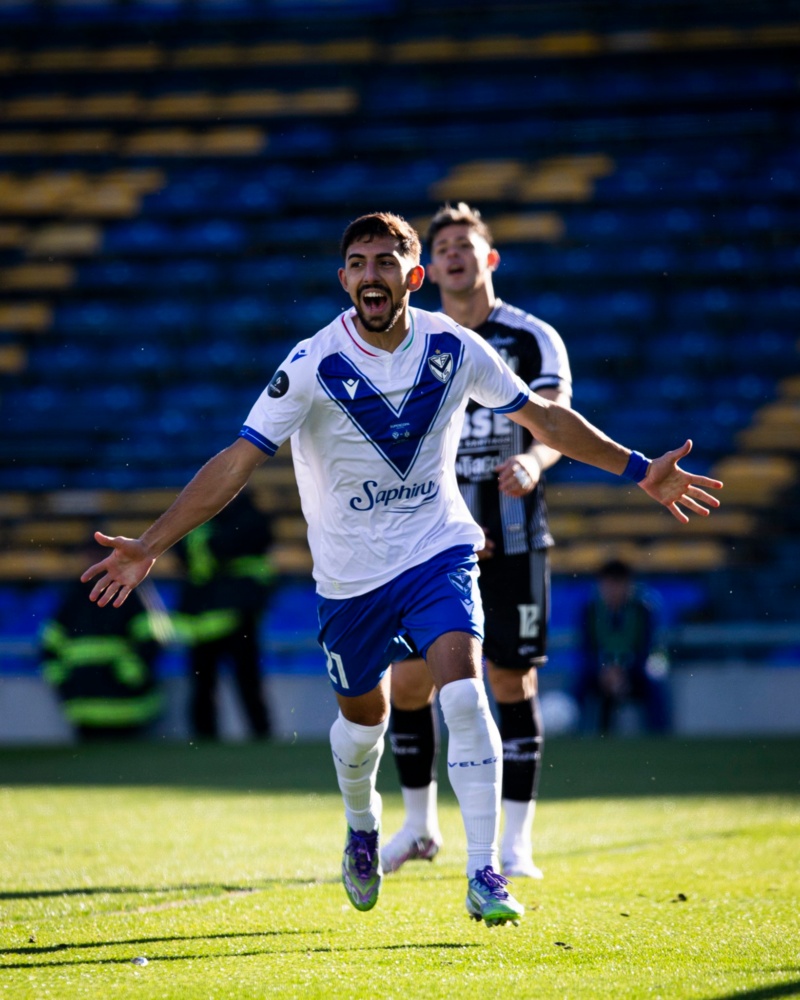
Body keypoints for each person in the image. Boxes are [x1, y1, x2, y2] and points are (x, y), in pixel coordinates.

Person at [80, 211, 722, 927]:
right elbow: (238, 459)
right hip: (350, 580)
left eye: (386, 262)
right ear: (343, 279)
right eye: (357, 263)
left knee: (463, 692)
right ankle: (362, 823)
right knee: (364, 725)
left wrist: (638, 469)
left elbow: (543, 417)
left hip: (437, 550)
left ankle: (485, 872)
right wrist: (155, 542)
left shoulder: (455, 346)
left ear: (412, 278)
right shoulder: (312, 363)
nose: (370, 275)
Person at [382, 203, 570, 881]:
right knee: (408, 683)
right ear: (427, 270)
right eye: (444, 248)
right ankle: (418, 824)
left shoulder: (532, 338)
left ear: (489, 260)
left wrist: (534, 463)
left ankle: (516, 845)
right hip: (433, 544)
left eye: (467, 245)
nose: (455, 255)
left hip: (516, 538)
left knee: (509, 680)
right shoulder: (412, 343)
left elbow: (555, 422)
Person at [175, 488, 274, 740]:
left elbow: (201, 552)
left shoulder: (207, 520)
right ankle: (241, 735)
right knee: (214, 684)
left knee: (237, 681)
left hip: (227, 615)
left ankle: (254, 734)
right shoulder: (241, 516)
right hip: (217, 616)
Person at [41, 570, 164, 741]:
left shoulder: (129, 593)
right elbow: (49, 644)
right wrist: (63, 681)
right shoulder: (73, 597)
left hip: (128, 708)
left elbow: (151, 639)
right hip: (84, 709)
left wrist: (132, 672)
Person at [577, 558, 672, 735]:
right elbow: (587, 648)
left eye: (618, 584)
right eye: (608, 584)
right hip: (600, 673)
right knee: (579, 684)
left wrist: (623, 672)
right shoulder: (590, 610)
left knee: (654, 686)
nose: (613, 590)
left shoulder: (642, 609)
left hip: (634, 672)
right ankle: (574, 736)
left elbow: (647, 647)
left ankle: (660, 738)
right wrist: (604, 671)